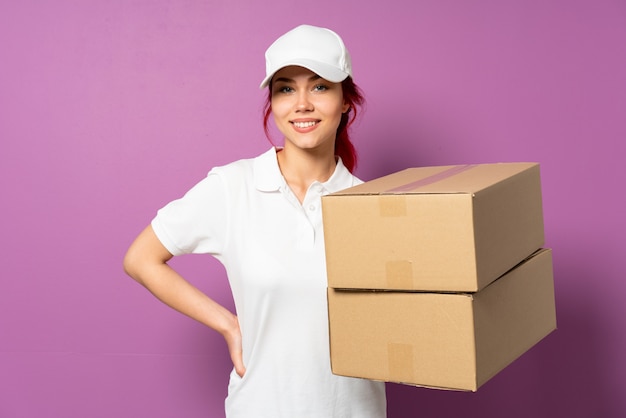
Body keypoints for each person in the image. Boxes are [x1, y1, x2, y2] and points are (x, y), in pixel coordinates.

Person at [123, 24, 387, 417]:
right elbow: (140, 258)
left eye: (319, 87)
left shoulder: (374, 205)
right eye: (285, 88)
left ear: (346, 100)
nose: (301, 104)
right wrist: (228, 325)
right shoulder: (234, 187)